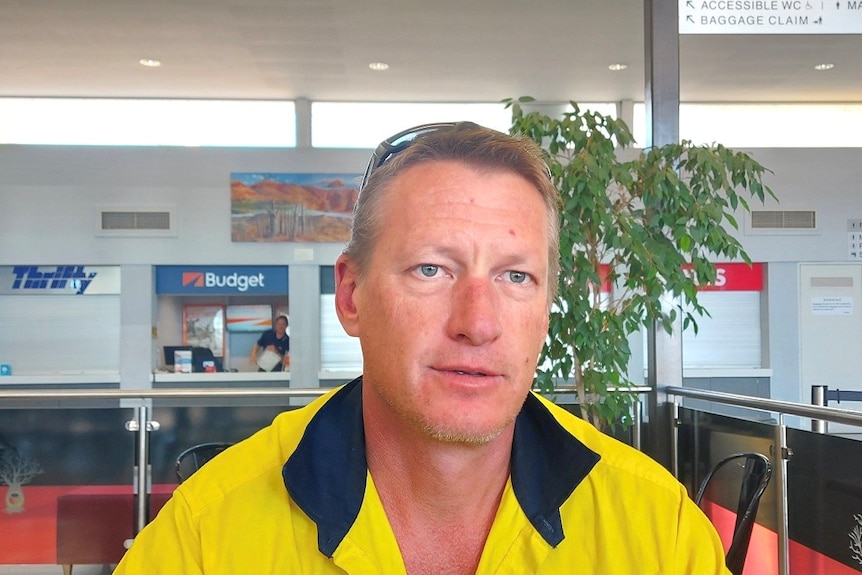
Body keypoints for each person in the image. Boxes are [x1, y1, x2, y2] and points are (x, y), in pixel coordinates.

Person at [114, 123, 730, 574]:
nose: (478, 323)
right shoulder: (206, 533)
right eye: (432, 270)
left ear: (545, 310)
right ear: (351, 297)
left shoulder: (660, 534)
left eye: (516, 277)